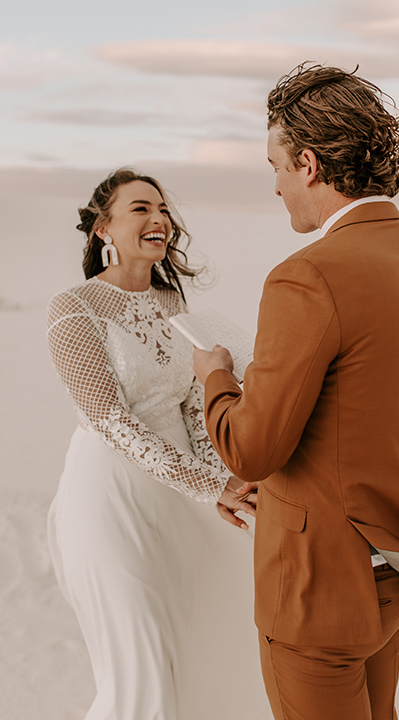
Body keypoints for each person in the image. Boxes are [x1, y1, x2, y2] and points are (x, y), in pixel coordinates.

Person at [193, 64, 399, 720]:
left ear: (309, 164)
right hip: (398, 570)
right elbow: (366, 414)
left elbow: (251, 449)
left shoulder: (306, 277)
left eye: (276, 166)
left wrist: (216, 378)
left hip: (317, 592)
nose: (277, 186)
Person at [46, 168, 272, 720]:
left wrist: (226, 476)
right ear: (104, 228)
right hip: (110, 499)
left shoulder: (175, 304)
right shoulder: (73, 308)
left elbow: (194, 409)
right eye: (141, 208)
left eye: (164, 209)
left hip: (186, 499)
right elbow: (109, 420)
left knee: (212, 641)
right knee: (140, 658)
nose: (159, 220)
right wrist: (208, 483)